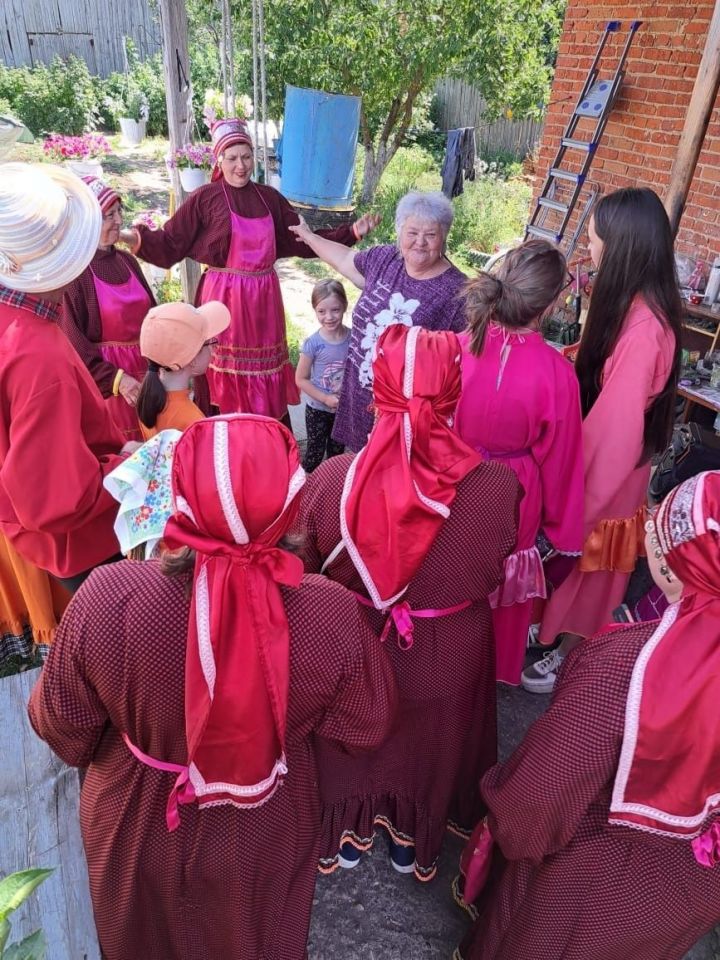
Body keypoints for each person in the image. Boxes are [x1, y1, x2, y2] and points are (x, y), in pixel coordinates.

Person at [28, 414, 397, 960]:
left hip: (138, 826)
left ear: (178, 496)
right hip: (264, 825)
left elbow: (62, 729)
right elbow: (367, 724)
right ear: (289, 505)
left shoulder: (106, 597)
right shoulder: (328, 613)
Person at [455, 470, 720, 960]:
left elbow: (535, 803)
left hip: (588, 893)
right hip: (695, 892)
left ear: (673, 564)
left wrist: (501, 821)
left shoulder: (622, 669)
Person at [298, 323, 519, 880]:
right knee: (428, 744)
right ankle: (406, 843)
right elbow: (493, 571)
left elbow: (302, 574)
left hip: (356, 652)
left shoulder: (331, 480)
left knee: (351, 737)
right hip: (447, 652)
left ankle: (345, 834)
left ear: (376, 391)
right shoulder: (496, 485)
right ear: (454, 393)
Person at [523, 187, 682, 693]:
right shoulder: (637, 306)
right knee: (581, 569)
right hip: (612, 465)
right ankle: (552, 631)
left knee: (590, 567)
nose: (590, 251)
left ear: (621, 248)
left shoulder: (644, 330)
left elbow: (613, 436)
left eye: (594, 241)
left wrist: (572, 504)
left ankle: (570, 654)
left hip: (607, 476)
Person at [120, 119, 378, 420]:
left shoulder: (269, 199)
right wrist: (127, 237)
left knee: (262, 374)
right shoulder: (205, 198)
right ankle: (222, 434)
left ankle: (266, 435)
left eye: (246, 156)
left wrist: (350, 233)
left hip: (262, 304)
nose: (240, 165)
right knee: (220, 369)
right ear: (219, 160)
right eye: (232, 158)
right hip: (222, 302)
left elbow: (304, 238)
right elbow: (169, 243)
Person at [455, 240, 584, 685]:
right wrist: (563, 537)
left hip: (455, 481)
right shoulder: (557, 373)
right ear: (549, 305)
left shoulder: (458, 346)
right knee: (503, 586)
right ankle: (485, 677)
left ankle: (440, 659)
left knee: (453, 574)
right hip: (516, 495)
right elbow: (562, 465)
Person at [0, 163, 130, 589]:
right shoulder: (39, 356)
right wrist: (130, 465)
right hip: (81, 541)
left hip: (38, 528)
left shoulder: (18, 319)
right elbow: (58, 500)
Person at [290, 190, 467, 452]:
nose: (420, 242)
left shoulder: (458, 291)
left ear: (443, 237)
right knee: (357, 468)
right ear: (399, 231)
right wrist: (308, 236)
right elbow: (343, 258)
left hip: (404, 413)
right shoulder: (385, 259)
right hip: (360, 396)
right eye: (412, 232)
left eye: (431, 235)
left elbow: (466, 362)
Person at [59, 177, 155, 441]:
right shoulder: (77, 274)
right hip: (110, 387)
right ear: (88, 222)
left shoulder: (126, 261)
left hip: (148, 376)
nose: (118, 220)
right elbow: (72, 342)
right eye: (108, 215)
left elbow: (154, 317)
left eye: (118, 212)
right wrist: (117, 380)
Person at [137, 300, 231, 439]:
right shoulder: (193, 421)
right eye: (209, 342)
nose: (213, 348)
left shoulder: (147, 401)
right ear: (191, 358)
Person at [295, 279, 350, 472]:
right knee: (314, 454)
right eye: (321, 311)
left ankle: (332, 489)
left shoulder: (354, 339)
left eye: (335, 310)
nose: (329, 317)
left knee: (337, 454)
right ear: (314, 310)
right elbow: (301, 379)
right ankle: (305, 490)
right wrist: (325, 398)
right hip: (317, 409)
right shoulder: (313, 344)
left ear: (344, 306)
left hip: (342, 410)